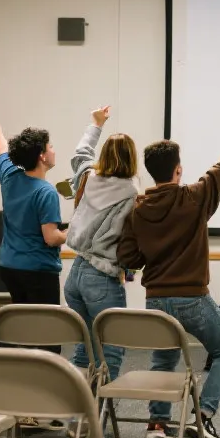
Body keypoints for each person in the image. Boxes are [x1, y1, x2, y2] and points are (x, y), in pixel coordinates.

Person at [117, 110, 220, 438]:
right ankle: (203, 416)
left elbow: (128, 257)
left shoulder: (138, 209)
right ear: (178, 170)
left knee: (164, 356)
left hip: (157, 301)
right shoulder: (194, 198)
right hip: (193, 297)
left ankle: (157, 425)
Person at [0, 77, 65, 350]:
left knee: (22, 329)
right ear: (41, 156)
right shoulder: (46, 192)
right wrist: (73, 231)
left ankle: (17, 376)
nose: (53, 150)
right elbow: (51, 238)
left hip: (9, 267)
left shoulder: (9, 175)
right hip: (38, 271)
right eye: (50, 147)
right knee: (48, 338)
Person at [64, 105, 138, 389]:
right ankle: (92, 424)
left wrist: (96, 124)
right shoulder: (130, 192)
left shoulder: (89, 178)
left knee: (85, 348)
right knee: (111, 350)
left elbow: (81, 155)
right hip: (102, 278)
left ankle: (73, 415)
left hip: (77, 273)